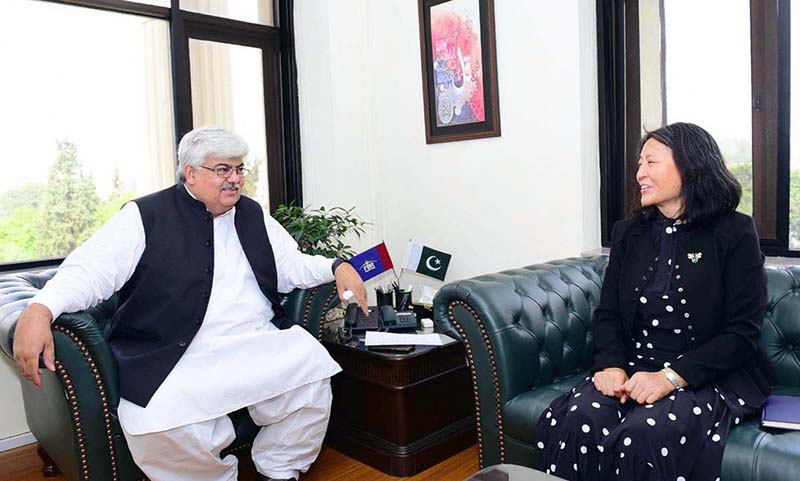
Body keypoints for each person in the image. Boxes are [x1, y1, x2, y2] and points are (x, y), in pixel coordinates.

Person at [13, 126, 369, 481]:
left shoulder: (251, 214)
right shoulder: (145, 215)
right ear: (191, 173)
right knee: (156, 422)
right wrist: (40, 309)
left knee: (310, 369)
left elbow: (289, 265)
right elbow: (89, 270)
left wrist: (335, 266)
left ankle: (279, 470)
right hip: (176, 350)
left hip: (253, 340)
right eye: (223, 169)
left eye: (239, 168)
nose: (235, 179)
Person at [533, 122, 774, 481]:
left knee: (641, 437)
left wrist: (670, 378)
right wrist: (610, 365)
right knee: (579, 419)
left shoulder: (735, 231)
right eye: (639, 164)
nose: (639, 174)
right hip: (634, 369)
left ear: (689, 166)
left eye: (651, 162)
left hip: (706, 376)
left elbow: (742, 333)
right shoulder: (628, 233)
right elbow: (609, 314)